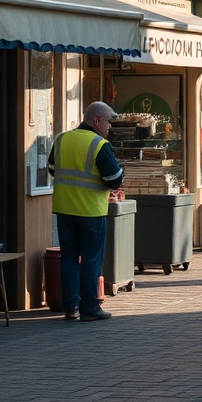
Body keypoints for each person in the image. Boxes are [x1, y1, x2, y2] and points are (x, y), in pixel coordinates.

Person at [48, 101, 125, 322]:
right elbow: (114, 179)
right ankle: (90, 308)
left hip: (64, 210)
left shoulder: (62, 139)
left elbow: (53, 169)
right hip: (91, 212)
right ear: (97, 120)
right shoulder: (99, 145)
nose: (110, 127)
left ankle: (71, 307)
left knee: (69, 258)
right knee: (91, 259)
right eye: (109, 122)